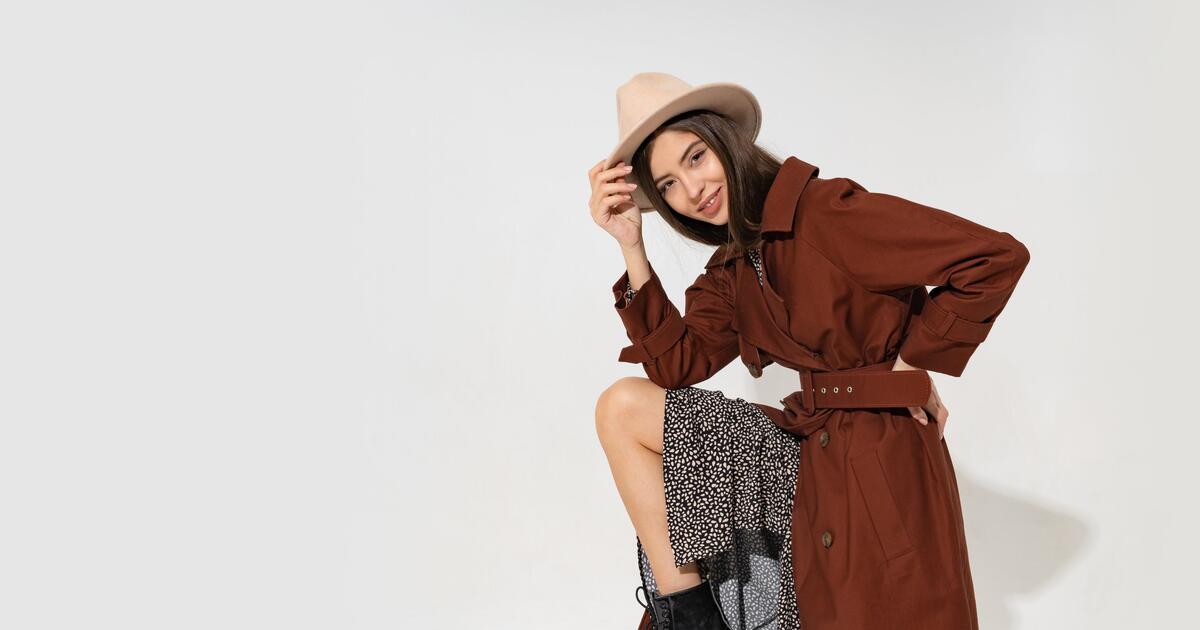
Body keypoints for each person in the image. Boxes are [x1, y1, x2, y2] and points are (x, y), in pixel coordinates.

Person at [589, 73, 1031, 630]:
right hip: (809, 453)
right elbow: (676, 367)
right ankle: (690, 618)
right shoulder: (733, 266)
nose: (693, 190)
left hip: (880, 454)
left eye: (696, 157)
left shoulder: (827, 213)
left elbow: (993, 259)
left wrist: (912, 366)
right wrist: (632, 246)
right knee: (622, 408)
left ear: (726, 140)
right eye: (669, 185)